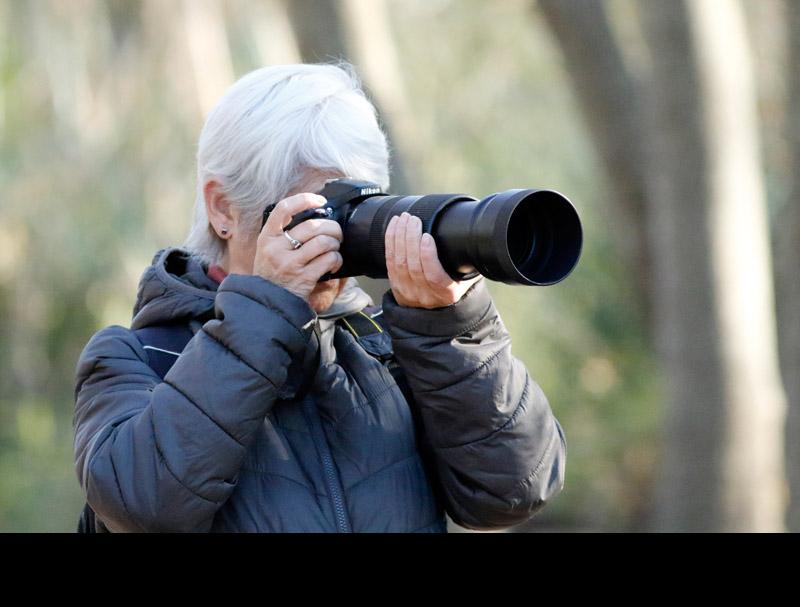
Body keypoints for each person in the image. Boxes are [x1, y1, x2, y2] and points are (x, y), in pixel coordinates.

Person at [73, 63, 565, 533]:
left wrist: (449, 328)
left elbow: (513, 491)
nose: (340, 236)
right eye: (318, 211)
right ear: (223, 209)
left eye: (362, 206)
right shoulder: (137, 358)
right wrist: (268, 308)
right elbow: (141, 507)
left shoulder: (390, 348)